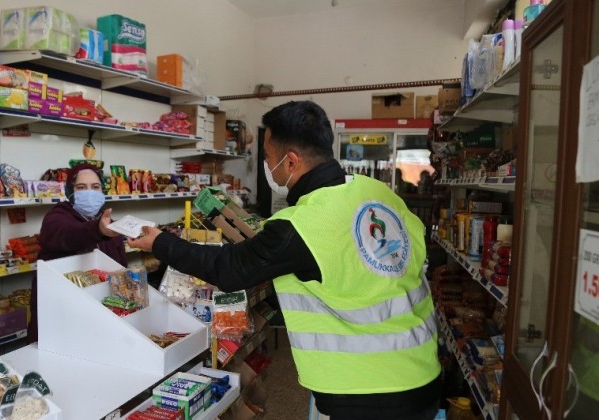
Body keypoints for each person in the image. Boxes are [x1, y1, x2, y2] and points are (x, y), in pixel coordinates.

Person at [129, 101, 441, 419]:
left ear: (290, 162)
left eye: (267, 156)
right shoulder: (380, 193)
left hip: (368, 391)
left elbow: (228, 268)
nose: (266, 163)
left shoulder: (302, 224)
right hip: (423, 373)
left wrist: (160, 242)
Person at [27, 163, 126, 343]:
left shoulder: (109, 224)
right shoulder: (56, 218)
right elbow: (68, 234)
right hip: (61, 314)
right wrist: (97, 231)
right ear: (70, 192)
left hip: (101, 312)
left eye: (95, 187)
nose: (90, 193)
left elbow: (121, 268)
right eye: (81, 188)